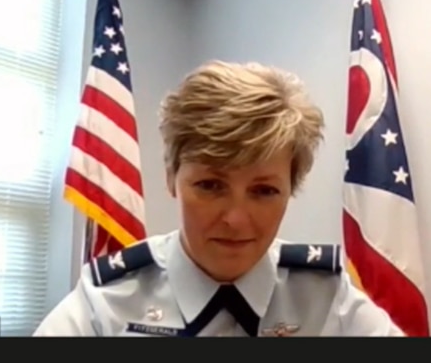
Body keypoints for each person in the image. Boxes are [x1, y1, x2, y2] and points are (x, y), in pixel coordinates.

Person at [35, 61, 404, 337]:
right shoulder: (107, 300)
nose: (236, 220)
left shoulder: (325, 297)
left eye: (264, 191)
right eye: (211, 186)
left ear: (291, 189)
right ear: (171, 179)